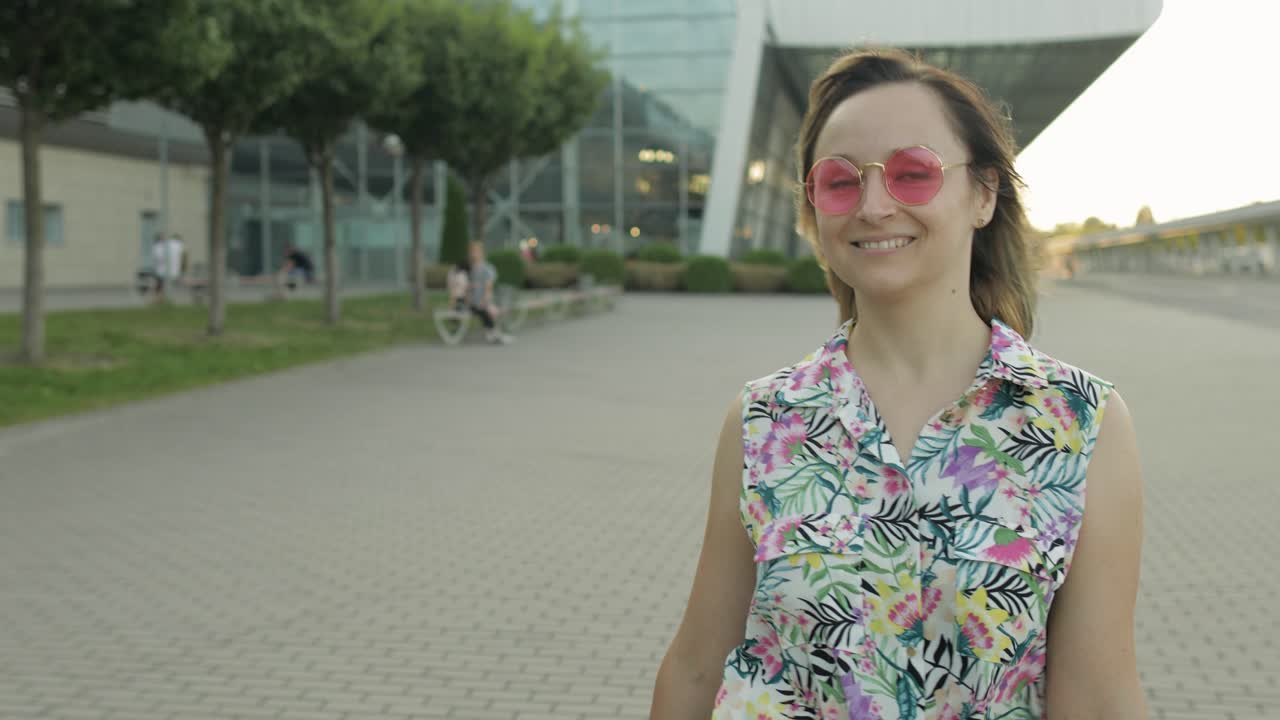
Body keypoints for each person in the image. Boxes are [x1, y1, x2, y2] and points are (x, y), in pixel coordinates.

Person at [650, 48, 1146, 719]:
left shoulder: (1080, 424)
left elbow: (1098, 695)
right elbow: (698, 663)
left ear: (984, 193)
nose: (875, 205)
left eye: (913, 174)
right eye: (840, 181)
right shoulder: (765, 420)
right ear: (814, 209)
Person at [466, 241, 514, 345]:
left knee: (490, 310)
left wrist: (485, 300)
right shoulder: (470, 269)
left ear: (482, 253)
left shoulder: (487, 268)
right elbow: (467, 287)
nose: (474, 254)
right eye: (472, 251)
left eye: (476, 251)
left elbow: (489, 287)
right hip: (473, 302)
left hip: (483, 301)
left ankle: (494, 333)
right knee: (487, 310)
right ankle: (494, 333)